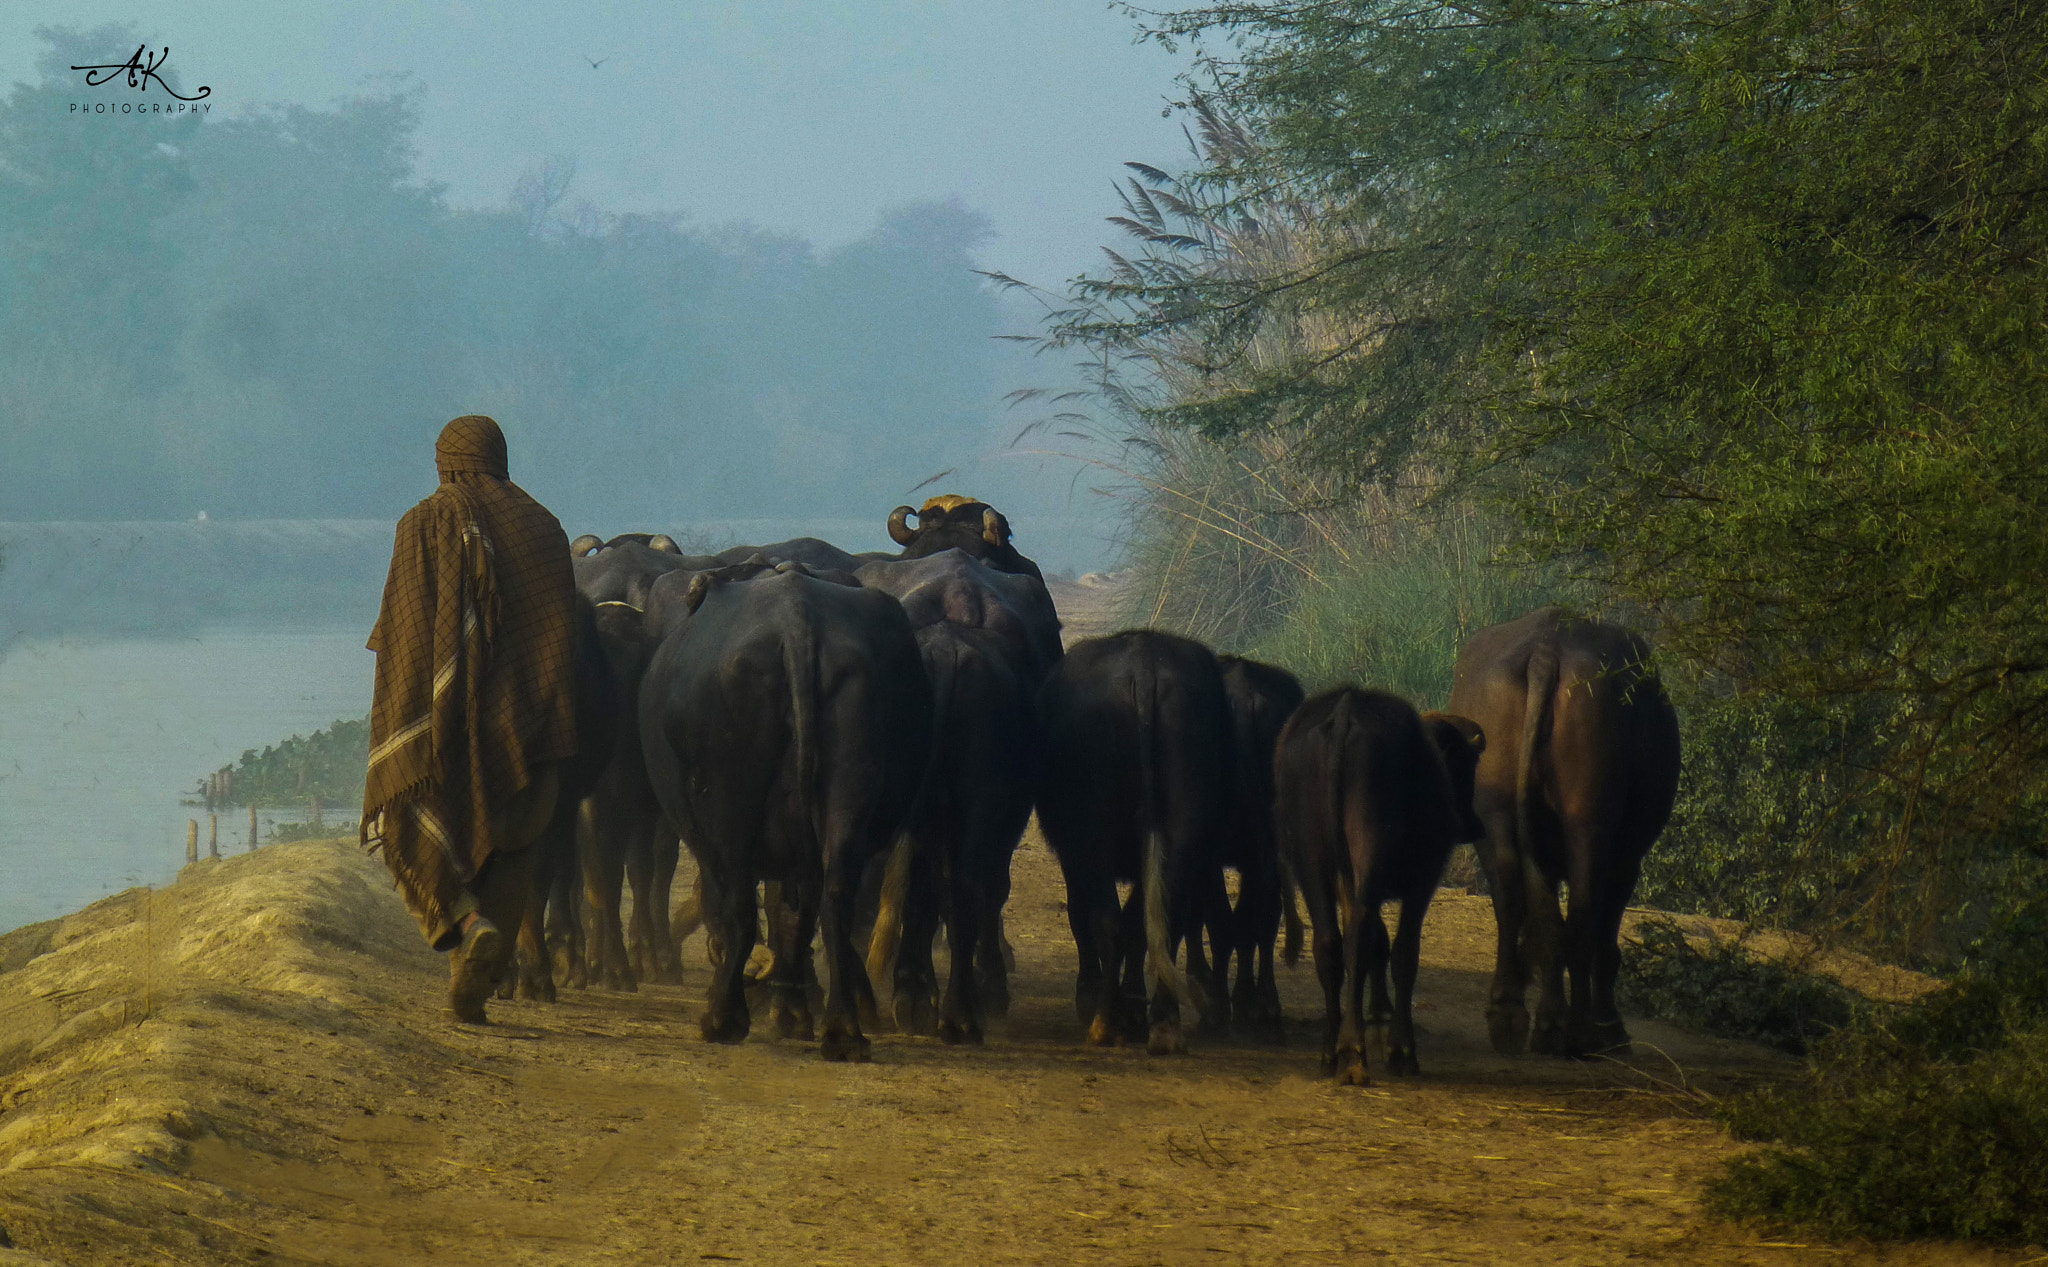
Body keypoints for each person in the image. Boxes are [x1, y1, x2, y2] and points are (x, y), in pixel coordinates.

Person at [361, 415, 580, 1023]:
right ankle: (473, 985)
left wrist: (410, 708)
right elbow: (559, 632)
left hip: (452, 734)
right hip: (532, 733)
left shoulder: (425, 522)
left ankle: (463, 918)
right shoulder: (545, 526)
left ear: (445, 463)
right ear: (499, 457)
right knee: (515, 854)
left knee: (414, 819)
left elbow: (405, 636)